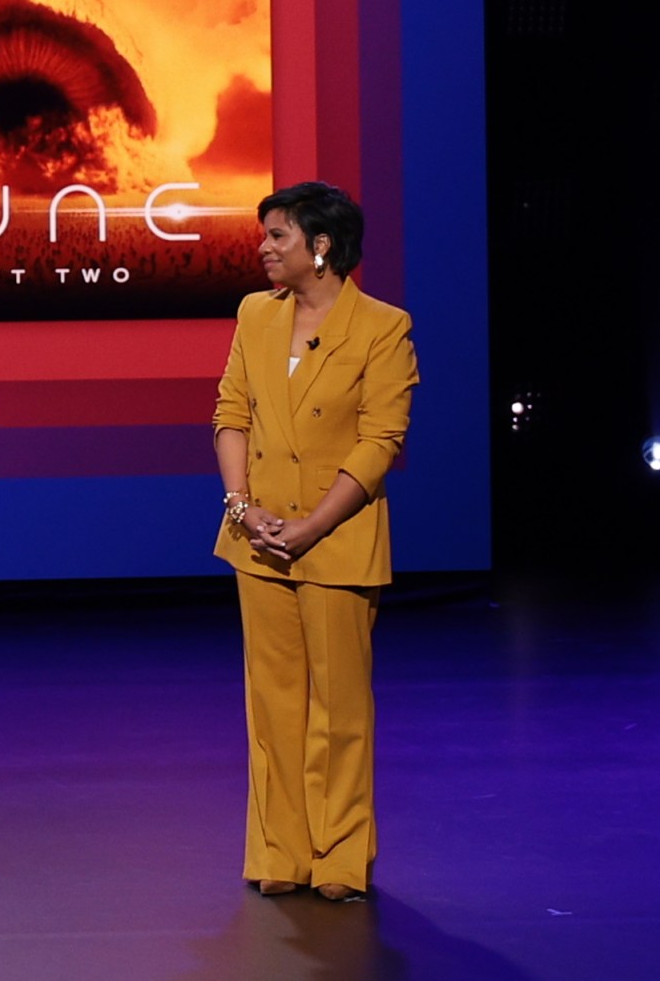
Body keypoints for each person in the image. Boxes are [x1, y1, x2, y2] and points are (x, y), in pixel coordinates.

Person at [211, 182, 415, 906]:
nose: (263, 248)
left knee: (339, 708)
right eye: (264, 235)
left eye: (277, 236)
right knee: (272, 706)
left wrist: (311, 525)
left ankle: (339, 856)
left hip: (336, 540)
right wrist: (243, 507)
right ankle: (280, 851)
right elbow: (232, 411)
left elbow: (379, 442)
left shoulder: (384, 327)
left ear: (320, 245)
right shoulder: (254, 315)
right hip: (257, 540)